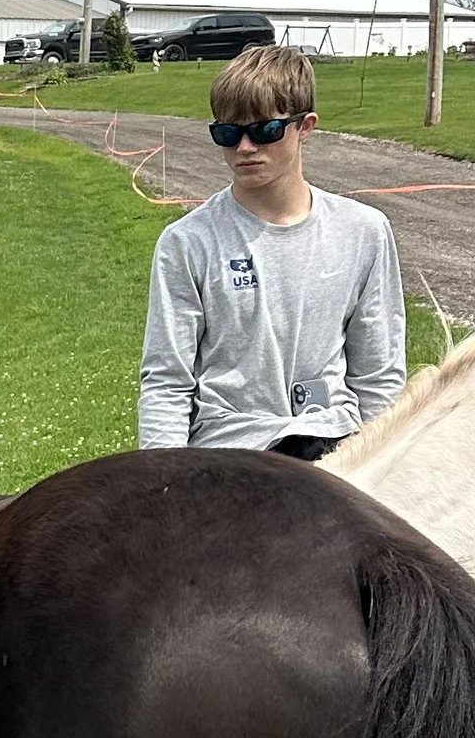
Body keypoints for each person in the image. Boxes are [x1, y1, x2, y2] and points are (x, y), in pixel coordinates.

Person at [137, 45, 405, 458]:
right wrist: (160, 484)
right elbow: (167, 382)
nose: (244, 147)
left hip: (335, 446)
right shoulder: (187, 242)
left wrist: (383, 472)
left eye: (264, 130)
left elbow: (379, 377)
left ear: (306, 126)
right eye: (227, 133)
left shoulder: (364, 231)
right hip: (231, 452)